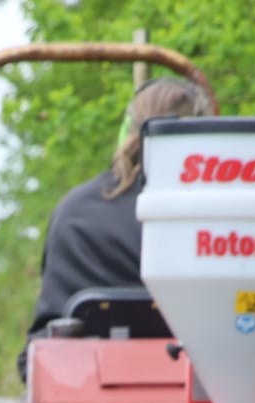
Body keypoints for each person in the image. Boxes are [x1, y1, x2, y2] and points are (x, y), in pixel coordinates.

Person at [23, 76, 213, 372]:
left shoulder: (75, 213)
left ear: (127, 129)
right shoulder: (220, 215)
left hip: (87, 391)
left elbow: (41, 347)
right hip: (209, 388)